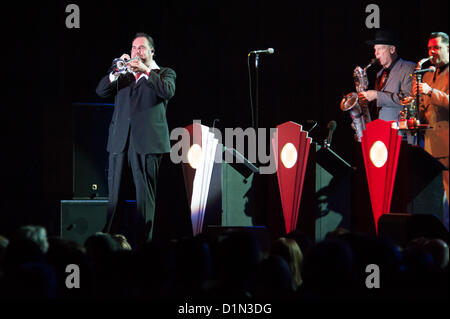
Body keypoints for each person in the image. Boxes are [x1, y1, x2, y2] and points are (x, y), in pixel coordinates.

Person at [96, 33, 176, 247]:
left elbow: (167, 92)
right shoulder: (123, 76)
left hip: (147, 143)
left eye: (141, 48)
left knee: (144, 198)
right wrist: (116, 71)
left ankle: (143, 245)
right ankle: (109, 243)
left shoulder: (164, 73)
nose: (136, 52)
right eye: (133, 48)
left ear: (152, 52)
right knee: (115, 197)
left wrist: (146, 71)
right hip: (120, 141)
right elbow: (101, 91)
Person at [412, 32, 449, 228]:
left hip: (447, 148)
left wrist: (429, 91)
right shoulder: (426, 75)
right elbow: (425, 110)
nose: (432, 52)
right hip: (429, 149)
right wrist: (412, 106)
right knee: (432, 204)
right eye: (429, 49)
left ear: (448, 49)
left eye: (436, 48)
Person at [359, 29, 416, 122]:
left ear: (392, 49)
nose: (376, 53)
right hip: (381, 130)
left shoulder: (409, 68)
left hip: (399, 131)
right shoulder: (380, 73)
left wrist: (376, 95)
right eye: (375, 49)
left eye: (380, 49)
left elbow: (407, 99)